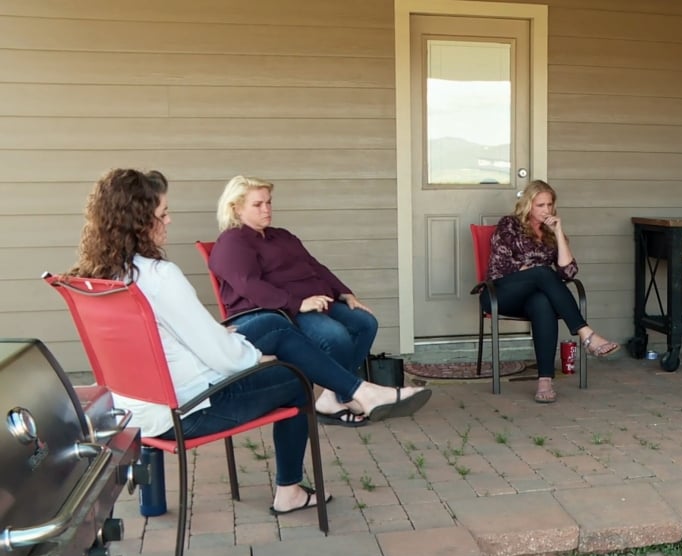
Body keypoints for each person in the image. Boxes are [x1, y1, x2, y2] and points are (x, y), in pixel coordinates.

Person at [67, 169, 422, 514]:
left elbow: (168, 336)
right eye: (163, 214)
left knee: (270, 323)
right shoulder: (162, 276)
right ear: (137, 222)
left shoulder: (102, 277)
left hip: (135, 405)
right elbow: (226, 360)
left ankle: (355, 391)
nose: (170, 220)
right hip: (189, 408)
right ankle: (291, 490)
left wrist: (223, 336)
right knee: (296, 378)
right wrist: (253, 355)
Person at [208, 175, 387, 426]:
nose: (267, 209)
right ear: (236, 207)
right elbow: (249, 285)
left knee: (365, 322)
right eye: (257, 205)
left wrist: (345, 293)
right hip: (276, 311)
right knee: (335, 336)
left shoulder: (281, 236)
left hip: (314, 302)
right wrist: (297, 303)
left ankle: (333, 397)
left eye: (269, 202)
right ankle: (347, 394)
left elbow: (314, 266)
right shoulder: (233, 241)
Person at [483, 180, 619, 403]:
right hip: (500, 294)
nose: (546, 210)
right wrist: (533, 272)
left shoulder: (549, 232)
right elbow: (500, 267)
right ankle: (585, 334)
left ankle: (545, 381)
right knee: (543, 273)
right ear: (528, 205)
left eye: (549, 204)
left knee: (542, 302)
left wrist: (558, 233)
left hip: (531, 297)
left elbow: (568, 272)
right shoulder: (510, 225)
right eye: (540, 205)